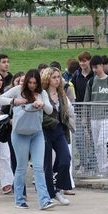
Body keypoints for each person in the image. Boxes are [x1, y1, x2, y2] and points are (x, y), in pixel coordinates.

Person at [0, 69, 56, 210]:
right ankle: (19, 199)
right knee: (21, 167)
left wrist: (41, 103)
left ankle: (44, 200)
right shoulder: (17, 90)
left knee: (39, 167)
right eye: (29, 82)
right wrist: (14, 101)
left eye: (35, 83)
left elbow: (49, 110)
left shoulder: (42, 93)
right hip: (19, 133)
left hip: (37, 132)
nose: (32, 85)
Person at [41, 66, 73, 206]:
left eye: (58, 77)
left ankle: (58, 188)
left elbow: (69, 110)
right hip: (45, 130)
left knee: (65, 158)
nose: (57, 80)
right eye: (54, 77)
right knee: (46, 163)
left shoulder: (61, 94)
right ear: (47, 78)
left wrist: (69, 120)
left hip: (59, 130)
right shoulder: (42, 93)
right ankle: (50, 193)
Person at [84, 55, 108, 175]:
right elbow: (86, 100)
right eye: (92, 67)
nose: (94, 70)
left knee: (102, 142)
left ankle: (103, 168)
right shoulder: (91, 82)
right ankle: (101, 168)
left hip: (106, 116)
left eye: (97, 67)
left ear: (102, 66)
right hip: (94, 117)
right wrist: (84, 116)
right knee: (96, 144)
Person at [70, 51, 95, 172]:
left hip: (93, 112)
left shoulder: (94, 75)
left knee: (93, 139)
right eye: (80, 61)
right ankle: (84, 162)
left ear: (89, 61)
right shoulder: (76, 75)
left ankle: (93, 163)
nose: (82, 63)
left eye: (84, 61)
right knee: (79, 138)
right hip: (79, 111)